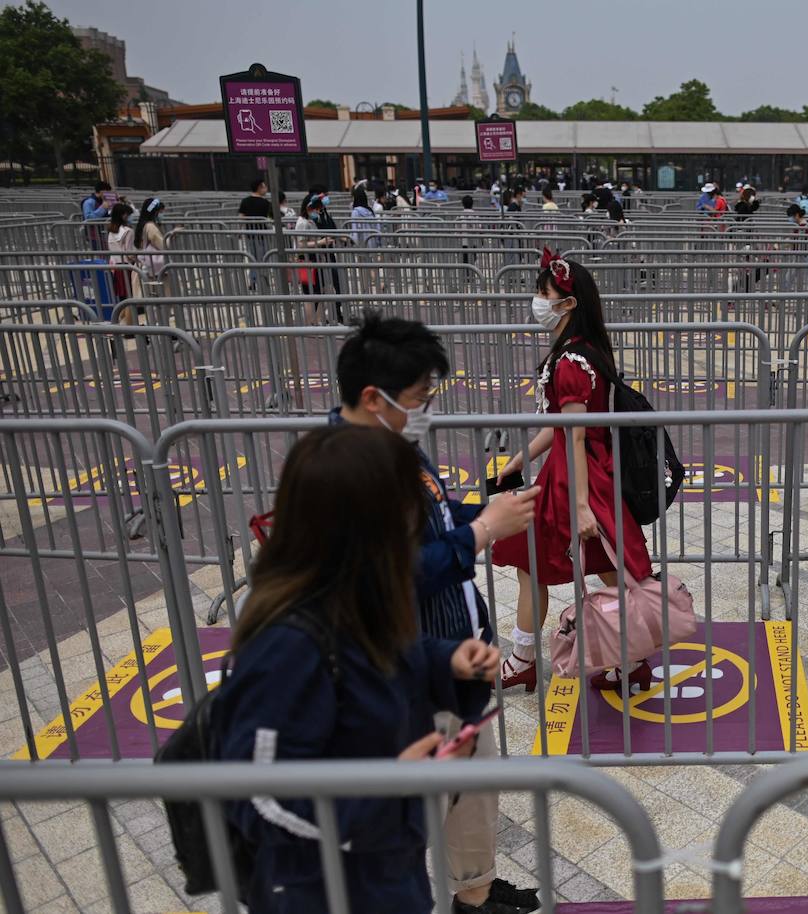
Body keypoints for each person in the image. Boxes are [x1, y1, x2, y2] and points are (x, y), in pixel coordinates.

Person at [210, 424, 506, 914]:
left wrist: (448, 663)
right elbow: (260, 801)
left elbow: (395, 659)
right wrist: (391, 788)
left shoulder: (354, 597)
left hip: (388, 875)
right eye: (401, 528)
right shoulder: (283, 647)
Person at [330, 314, 541, 914]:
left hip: (448, 651)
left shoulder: (393, 447)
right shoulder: (347, 473)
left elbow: (433, 518)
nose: (425, 410)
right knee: (420, 803)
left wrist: (487, 510)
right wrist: (481, 532)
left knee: (473, 780)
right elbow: (387, 574)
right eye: (420, 398)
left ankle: (474, 893)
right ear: (374, 398)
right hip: (404, 669)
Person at [492, 253, 654, 692]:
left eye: (544, 295)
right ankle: (629, 657)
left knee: (586, 566)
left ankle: (531, 659)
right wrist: (515, 463)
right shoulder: (581, 353)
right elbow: (560, 429)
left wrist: (581, 505)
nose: (537, 302)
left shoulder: (571, 362)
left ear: (568, 303)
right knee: (590, 566)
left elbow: (576, 436)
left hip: (575, 482)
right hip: (575, 476)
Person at [106, 202, 137, 310]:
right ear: (123, 215)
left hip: (116, 265)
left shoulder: (111, 230)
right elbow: (129, 252)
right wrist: (138, 257)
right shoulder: (128, 231)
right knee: (131, 294)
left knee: (123, 298)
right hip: (127, 266)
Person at [133, 197, 168, 282]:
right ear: (155, 212)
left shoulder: (142, 225)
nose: (162, 214)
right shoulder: (151, 227)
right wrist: (172, 235)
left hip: (142, 266)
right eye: (160, 212)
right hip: (152, 269)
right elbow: (163, 245)